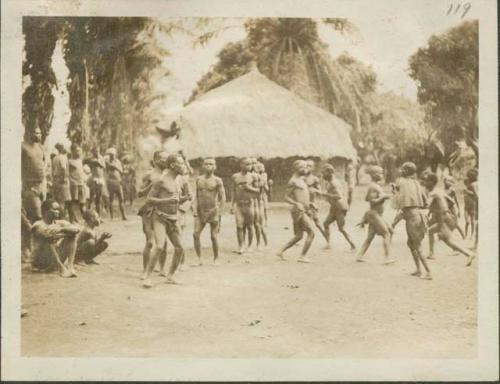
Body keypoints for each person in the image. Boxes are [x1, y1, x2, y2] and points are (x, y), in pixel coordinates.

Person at [142, 154, 189, 288]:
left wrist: (185, 198)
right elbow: (149, 200)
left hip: (173, 218)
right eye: (181, 163)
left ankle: (170, 276)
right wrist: (166, 201)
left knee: (180, 248)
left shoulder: (179, 180)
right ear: (173, 165)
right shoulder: (161, 180)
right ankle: (147, 277)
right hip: (160, 217)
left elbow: (176, 200)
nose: (184, 165)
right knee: (160, 246)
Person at [425, 173, 475, 265]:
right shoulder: (439, 190)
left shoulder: (433, 193)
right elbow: (451, 201)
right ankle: (431, 253)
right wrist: (445, 210)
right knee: (431, 232)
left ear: (431, 182)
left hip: (442, 218)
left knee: (448, 240)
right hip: (446, 216)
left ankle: (469, 254)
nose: (425, 182)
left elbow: (426, 205)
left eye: (427, 181)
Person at [392, 162, 431, 280]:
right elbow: (425, 202)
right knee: (411, 245)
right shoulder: (415, 183)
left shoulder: (402, 182)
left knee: (417, 246)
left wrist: (394, 191)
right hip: (417, 215)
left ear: (406, 171)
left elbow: (398, 201)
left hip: (412, 218)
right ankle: (418, 270)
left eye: (403, 169)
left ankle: (428, 272)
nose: (401, 170)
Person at [276, 160, 315, 263]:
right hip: (298, 211)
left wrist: (310, 203)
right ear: (296, 168)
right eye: (303, 167)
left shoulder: (301, 180)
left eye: (306, 167)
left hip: (303, 210)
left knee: (298, 235)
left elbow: (303, 196)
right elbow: (286, 197)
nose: (305, 169)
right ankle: (302, 256)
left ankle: (280, 251)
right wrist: (296, 203)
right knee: (311, 232)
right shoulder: (293, 181)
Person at [30, 199, 80, 277]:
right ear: (46, 211)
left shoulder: (59, 223)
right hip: (40, 261)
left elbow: (77, 229)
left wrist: (62, 229)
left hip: (52, 257)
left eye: (58, 209)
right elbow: (48, 236)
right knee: (49, 240)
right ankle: (61, 268)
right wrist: (66, 233)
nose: (58, 211)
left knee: (72, 235)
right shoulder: (38, 224)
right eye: (55, 209)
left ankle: (70, 266)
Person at [137, 151, 168, 277]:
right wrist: (151, 185)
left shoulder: (169, 175)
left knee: (164, 242)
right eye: (161, 158)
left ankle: (162, 269)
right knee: (150, 242)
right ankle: (145, 271)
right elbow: (139, 193)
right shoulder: (149, 175)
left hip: (163, 210)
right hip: (148, 210)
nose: (164, 161)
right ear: (155, 160)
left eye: (166, 159)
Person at [356, 166, 396, 264]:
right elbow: (371, 201)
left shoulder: (376, 186)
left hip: (376, 215)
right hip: (374, 214)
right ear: (375, 175)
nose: (382, 175)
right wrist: (383, 197)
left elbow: (376, 197)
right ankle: (387, 258)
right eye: (380, 173)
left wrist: (392, 193)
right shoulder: (373, 186)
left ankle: (359, 256)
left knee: (370, 237)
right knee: (387, 233)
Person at [193, 158, 226, 265]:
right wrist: (194, 208)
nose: (208, 166)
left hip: (213, 211)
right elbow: (196, 196)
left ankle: (216, 258)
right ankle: (199, 259)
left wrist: (218, 213)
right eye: (206, 164)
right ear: (203, 166)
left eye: (211, 164)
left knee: (213, 236)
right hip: (201, 211)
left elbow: (223, 198)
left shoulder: (217, 180)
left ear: (215, 167)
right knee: (196, 234)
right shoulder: (198, 179)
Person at [321, 164, 356, 252]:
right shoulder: (330, 182)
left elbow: (339, 195)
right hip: (334, 207)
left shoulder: (334, 183)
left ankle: (353, 246)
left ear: (330, 172)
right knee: (325, 224)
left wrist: (324, 194)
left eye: (324, 173)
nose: (323, 175)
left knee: (341, 228)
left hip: (339, 207)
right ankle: (328, 244)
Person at [231, 158, 260, 254]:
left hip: (249, 204)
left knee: (250, 226)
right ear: (241, 165)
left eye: (250, 164)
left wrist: (249, 188)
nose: (249, 166)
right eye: (247, 164)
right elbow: (233, 191)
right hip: (239, 205)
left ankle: (249, 245)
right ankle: (241, 246)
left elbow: (258, 190)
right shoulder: (235, 176)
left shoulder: (253, 176)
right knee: (239, 226)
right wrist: (232, 205)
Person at [21, 127, 46, 223]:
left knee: (40, 212)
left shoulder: (40, 147)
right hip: (29, 185)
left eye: (40, 133)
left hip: (40, 185)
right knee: (36, 214)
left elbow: (42, 164)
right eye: (36, 133)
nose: (39, 135)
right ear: (29, 133)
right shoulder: (23, 147)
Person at [303, 159, 329, 244]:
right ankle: (298, 238)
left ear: (313, 168)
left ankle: (327, 240)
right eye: (306, 165)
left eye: (309, 166)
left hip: (312, 203)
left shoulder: (314, 179)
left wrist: (313, 189)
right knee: (300, 221)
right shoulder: (301, 178)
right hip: (303, 203)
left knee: (318, 223)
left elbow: (319, 191)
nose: (307, 167)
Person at [105, 148, 127, 221]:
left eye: (113, 155)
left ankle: (123, 215)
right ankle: (112, 217)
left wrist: (115, 167)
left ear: (115, 155)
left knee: (121, 199)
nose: (112, 156)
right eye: (111, 155)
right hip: (111, 182)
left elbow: (121, 170)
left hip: (118, 181)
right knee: (111, 199)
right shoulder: (107, 161)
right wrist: (113, 167)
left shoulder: (118, 162)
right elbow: (108, 167)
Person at [51, 143, 71, 220]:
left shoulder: (54, 158)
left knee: (57, 201)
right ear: (61, 149)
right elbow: (63, 168)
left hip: (55, 180)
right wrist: (63, 179)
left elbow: (52, 171)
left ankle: (58, 218)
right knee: (62, 202)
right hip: (61, 180)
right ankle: (61, 219)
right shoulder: (62, 157)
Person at [87, 147, 109, 216]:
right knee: (92, 195)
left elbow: (104, 167)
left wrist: (98, 163)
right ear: (93, 152)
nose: (97, 153)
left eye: (98, 151)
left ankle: (98, 214)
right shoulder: (91, 159)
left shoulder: (101, 158)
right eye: (95, 151)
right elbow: (90, 167)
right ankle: (88, 210)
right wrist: (93, 163)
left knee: (100, 197)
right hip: (94, 178)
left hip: (100, 178)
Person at [68, 143, 86, 223]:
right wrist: (72, 181)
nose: (79, 152)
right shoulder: (69, 161)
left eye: (79, 151)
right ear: (72, 151)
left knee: (82, 204)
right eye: (77, 151)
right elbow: (67, 174)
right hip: (74, 185)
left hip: (81, 184)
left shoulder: (80, 160)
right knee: (73, 203)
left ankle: (86, 220)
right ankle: (72, 220)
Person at [254, 162, 269, 248]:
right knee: (253, 225)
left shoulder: (263, 177)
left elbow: (266, 189)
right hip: (252, 201)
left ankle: (264, 243)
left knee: (259, 224)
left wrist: (264, 183)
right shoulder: (251, 177)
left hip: (259, 201)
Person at [463, 169, 478, 242]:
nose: (466, 184)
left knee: (472, 221)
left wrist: (467, 191)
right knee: (467, 221)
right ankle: (465, 234)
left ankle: (472, 234)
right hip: (466, 207)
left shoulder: (472, 186)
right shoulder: (465, 188)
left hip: (472, 205)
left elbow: (474, 195)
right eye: (465, 183)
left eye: (467, 182)